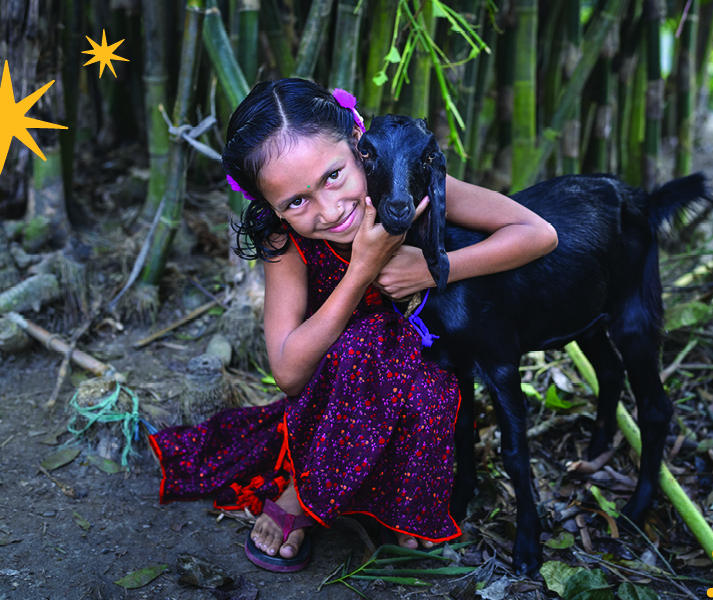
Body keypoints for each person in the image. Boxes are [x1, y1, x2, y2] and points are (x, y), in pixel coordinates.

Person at [148, 78, 557, 573]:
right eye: (295, 202)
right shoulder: (286, 244)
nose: (329, 210)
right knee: (360, 348)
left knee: (414, 375)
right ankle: (303, 491)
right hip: (334, 389)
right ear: (270, 207)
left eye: (334, 175)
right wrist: (362, 268)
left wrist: (429, 269)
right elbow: (289, 371)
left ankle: (405, 500)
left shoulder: (411, 187)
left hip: (426, 370)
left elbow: (539, 234)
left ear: (362, 148)